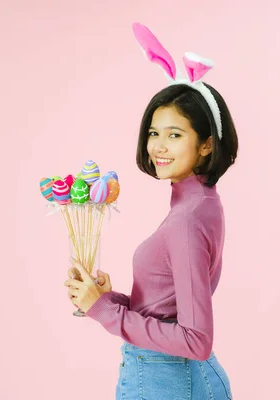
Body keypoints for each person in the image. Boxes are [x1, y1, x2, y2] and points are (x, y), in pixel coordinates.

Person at [63, 23, 237, 400]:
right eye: (154, 133)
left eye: (175, 134)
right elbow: (171, 310)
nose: (158, 145)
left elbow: (195, 339)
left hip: (166, 382)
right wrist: (107, 301)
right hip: (182, 379)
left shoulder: (187, 219)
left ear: (207, 144)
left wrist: (104, 312)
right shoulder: (200, 202)